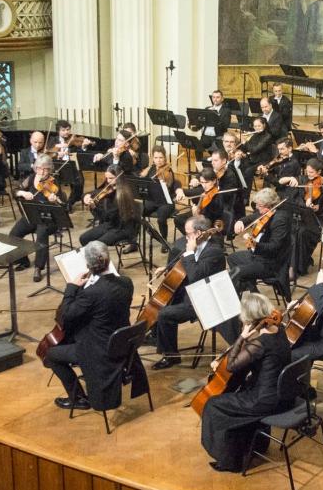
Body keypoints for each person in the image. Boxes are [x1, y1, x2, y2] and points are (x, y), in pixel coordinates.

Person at [200, 292, 293, 472]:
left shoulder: (260, 344)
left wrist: (242, 337)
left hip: (264, 400)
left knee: (213, 404)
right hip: (282, 394)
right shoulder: (280, 329)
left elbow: (232, 366)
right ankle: (254, 445)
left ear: (249, 320)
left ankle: (229, 461)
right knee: (240, 392)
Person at [43, 241, 134, 411]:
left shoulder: (91, 293)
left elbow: (67, 314)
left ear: (88, 265)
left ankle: (78, 398)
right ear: (108, 259)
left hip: (98, 351)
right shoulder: (126, 283)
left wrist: (71, 288)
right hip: (120, 344)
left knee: (52, 354)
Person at [153, 216, 227, 369]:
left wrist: (189, 252)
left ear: (199, 233)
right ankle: (157, 335)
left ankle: (171, 356)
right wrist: (167, 268)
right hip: (192, 291)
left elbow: (195, 276)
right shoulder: (198, 243)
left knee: (164, 313)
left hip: (204, 299)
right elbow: (184, 262)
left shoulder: (214, 252)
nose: (186, 237)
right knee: (163, 301)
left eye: (188, 233)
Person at [10, 156, 63, 281]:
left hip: (48, 218)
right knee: (14, 234)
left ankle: (38, 267)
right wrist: (23, 193)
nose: (42, 172)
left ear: (50, 169)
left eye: (45, 169)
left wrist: (55, 200)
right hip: (32, 215)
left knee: (41, 233)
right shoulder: (31, 178)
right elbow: (15, 190)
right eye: (39, 168)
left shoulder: (54, 182)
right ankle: (23, 260)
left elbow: (63, 204)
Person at [229, 187, 292, 294]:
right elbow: (252, 217)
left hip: (271, 263)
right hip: (259, 255)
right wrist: (240, 221)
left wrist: (256, 245)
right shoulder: (266, 212)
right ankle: (253, 290)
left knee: (238, 273)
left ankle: (246, 293)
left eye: (260, 205)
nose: (257, 208)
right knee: (232, 258)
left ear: (269, 205)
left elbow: (274, 246)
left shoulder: (280, 220)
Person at [81, 170, 140, 249]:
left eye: (111, 178)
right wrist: (86, 196)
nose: (108, 181)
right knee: (83, 238)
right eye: (107, 178)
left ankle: (100, 260)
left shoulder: (122, 194)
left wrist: (95, 208)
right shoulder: (109, 189)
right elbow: (92, 193)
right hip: (111, 224)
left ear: (119, 178)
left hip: (122, 228)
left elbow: (105, 216)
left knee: (97, 245)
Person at [138, 145, 181, 248]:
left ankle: (164, 242)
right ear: (153, 158)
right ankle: (136, 241)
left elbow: (173, 183)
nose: (158, 160)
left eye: (161, 157)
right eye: (156, 158)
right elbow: (143, 181)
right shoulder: (151, 169)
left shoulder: (168, 170)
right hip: (153, 200)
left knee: (161, 219)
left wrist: (164, 183)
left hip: (166, 201)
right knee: (137, 213)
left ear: (165, 158)